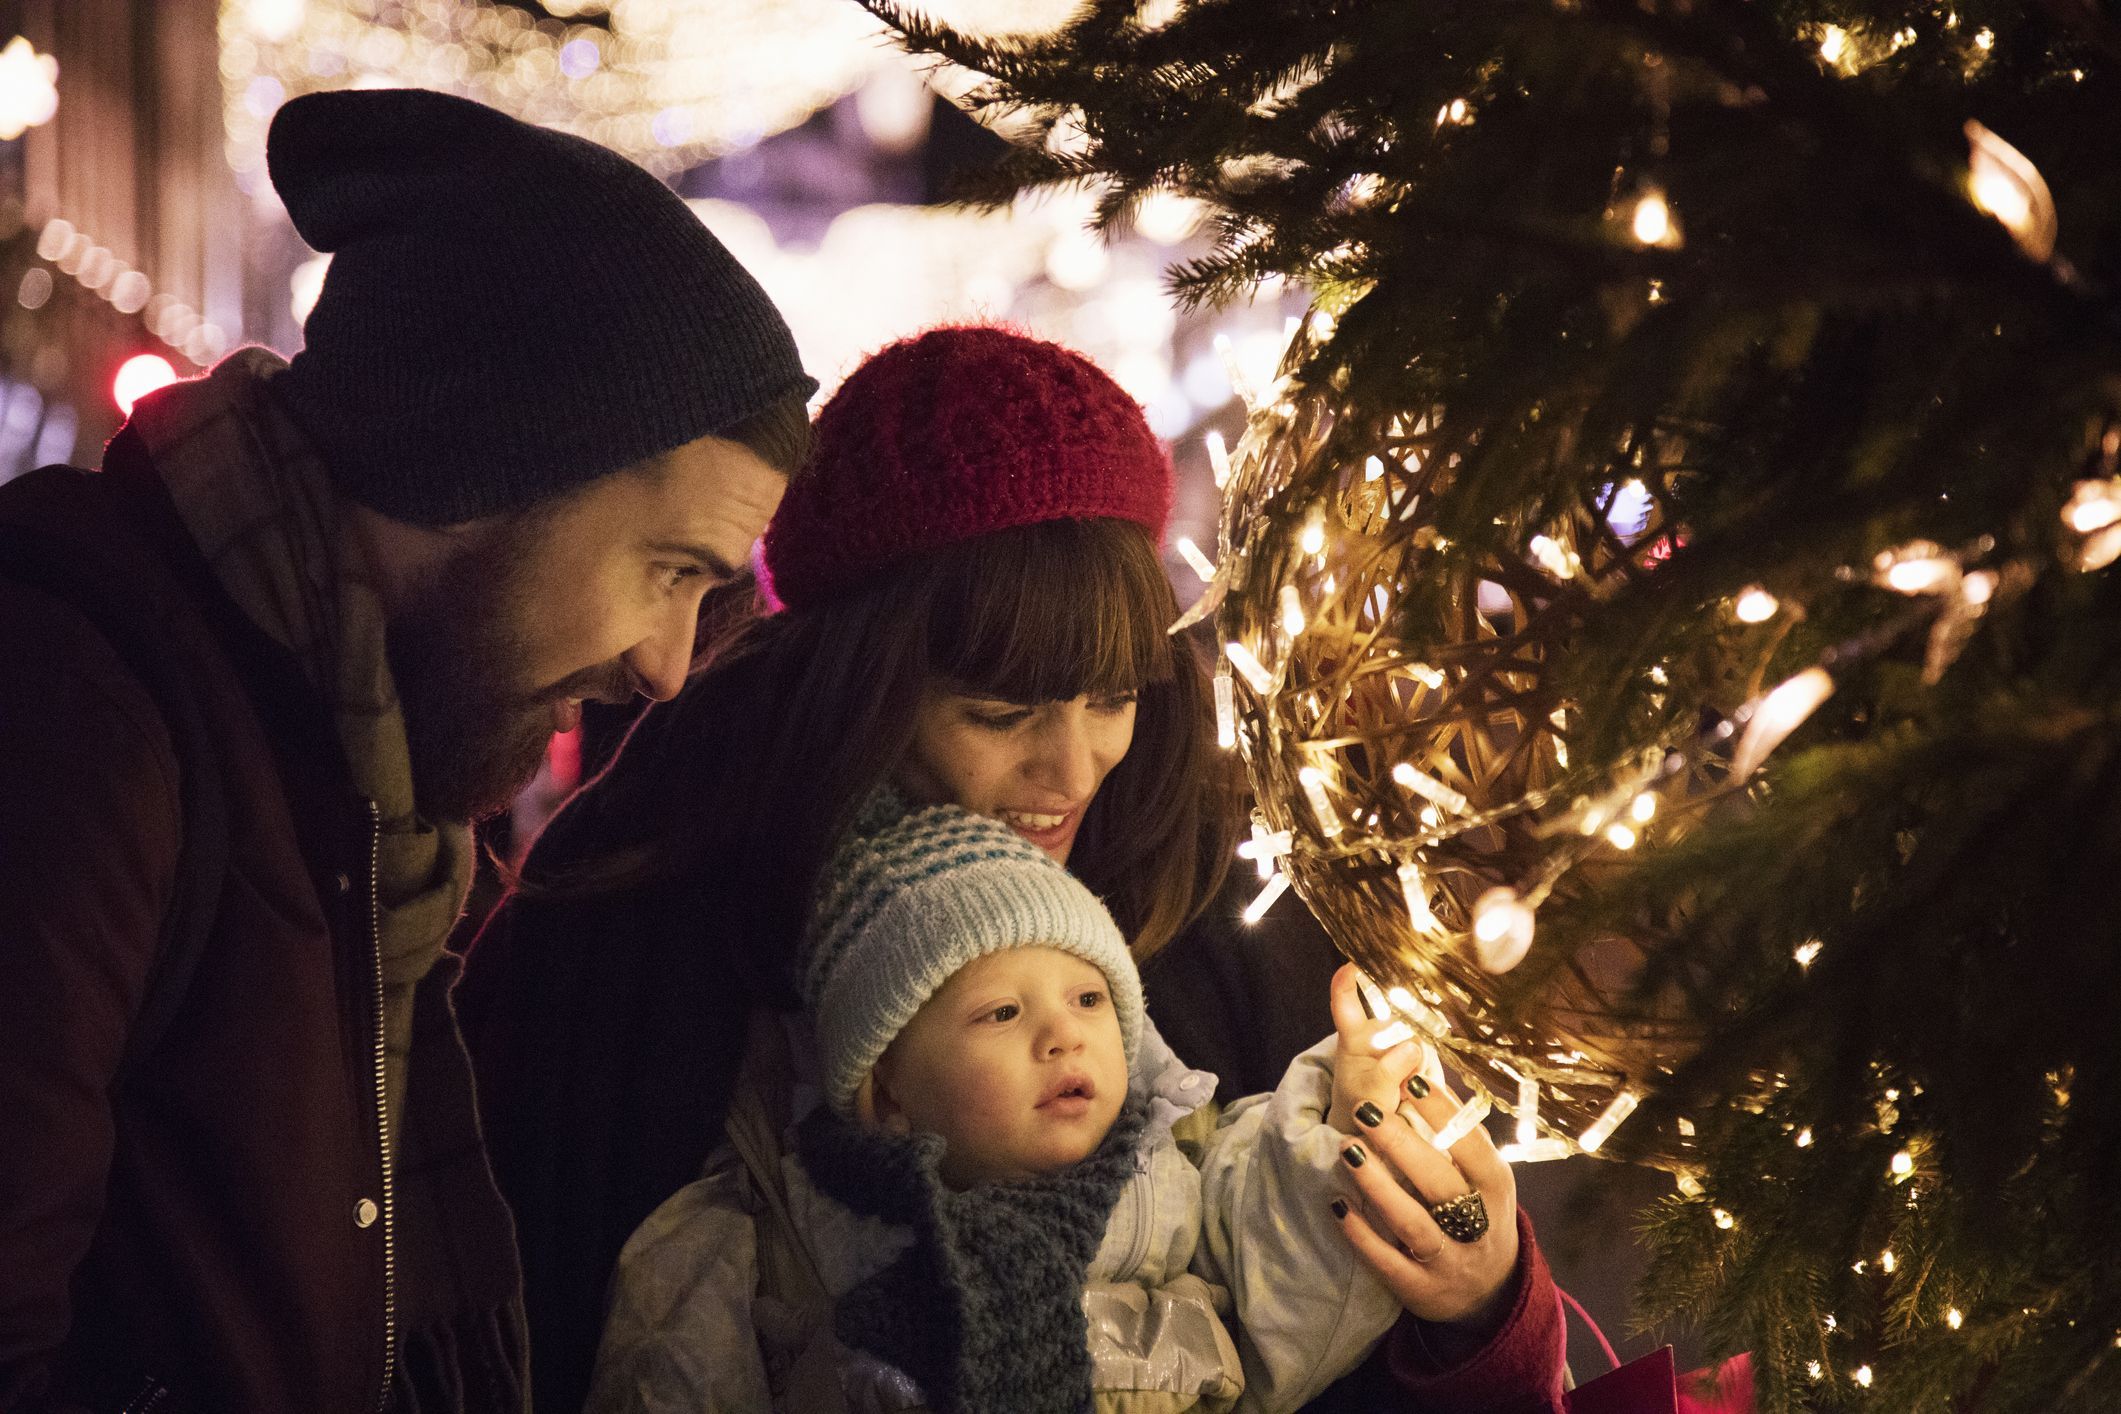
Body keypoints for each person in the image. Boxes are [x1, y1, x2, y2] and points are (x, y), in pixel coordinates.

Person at [460, 325, 1567, 1414]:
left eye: (1114, 697)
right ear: (857, 683)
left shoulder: (1217, 873)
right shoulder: (652, 902)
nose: (1072, 769)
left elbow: (1384, 1327)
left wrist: (1480, 1305)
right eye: (999, 712)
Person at [0, 87, 814, 1413]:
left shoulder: (367, 765)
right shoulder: (82, 705)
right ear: (482, 462)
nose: (666, 665)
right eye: (670, 569)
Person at [590, 795, 1388, 1411]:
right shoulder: (779, 1231)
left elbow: (1294, 1277)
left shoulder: (1185, 1170)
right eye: (1000, 1014)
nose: (1062, 1037)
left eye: (1087, 999)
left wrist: (1349, 1102)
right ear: (887, 1089)